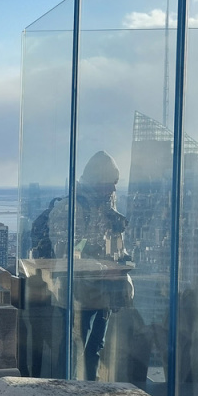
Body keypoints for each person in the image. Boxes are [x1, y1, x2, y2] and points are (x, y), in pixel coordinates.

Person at [30, 151, 133, 380]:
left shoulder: (106, 209)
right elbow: (67, 255)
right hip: (76, 295)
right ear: (96, 182)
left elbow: (114, 248)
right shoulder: (69, 210)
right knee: (73, 353)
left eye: (115, 184)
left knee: (95, 349)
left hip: (103, 294)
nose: (113, 190)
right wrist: (104, 268)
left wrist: (123, 262)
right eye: (109, 183)